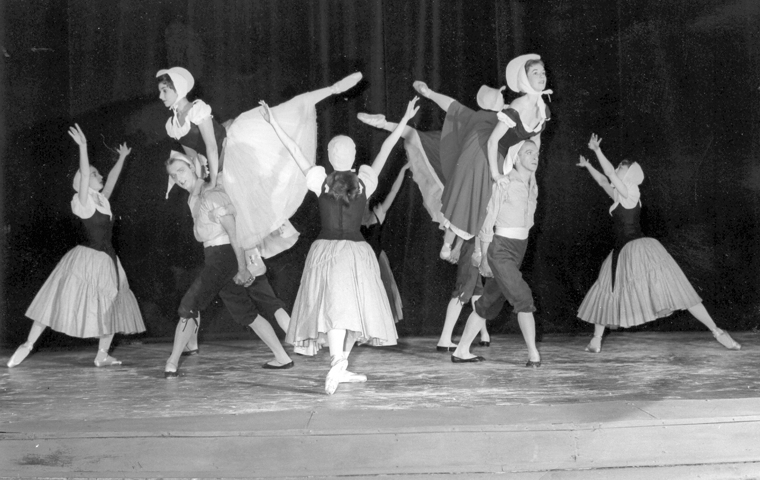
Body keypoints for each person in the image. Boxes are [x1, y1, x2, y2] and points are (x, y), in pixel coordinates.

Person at [156, 67, 362, 353]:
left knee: (286, 115)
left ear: (178, 88)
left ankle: (333, 89)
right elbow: (195, 155)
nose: (161, 95)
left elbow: (213, 150)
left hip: (231, 160)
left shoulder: (197, 110)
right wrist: (200, 182)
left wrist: (214, 181)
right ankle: (298, 339)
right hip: (219, 184)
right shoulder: (174, 123)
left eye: (165, 89)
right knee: (258, 290)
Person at [261, 96, 419, 395]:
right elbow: (386, 149)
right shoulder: (365, 180)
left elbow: (295, 152)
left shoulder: (320, 178)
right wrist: (404, 120)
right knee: (346, 309)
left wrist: (275, 125)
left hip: (327, 250)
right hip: (356, 252)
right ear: (354, 153)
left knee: (336, 308)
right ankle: (337, 363)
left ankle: (340, 364)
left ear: (330, 156)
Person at [357, 90, 500, 351]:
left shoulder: (494, 132)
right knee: (467, 285)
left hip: (479, 220)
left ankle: (482, 333)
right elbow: (426, 131)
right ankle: (448, 338)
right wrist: (391, 122)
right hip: (471, 223)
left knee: (476, 286)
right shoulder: (477, 124)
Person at [576, 134, 741, 353]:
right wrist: (588, 165)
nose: (617, 168)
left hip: (637, 249)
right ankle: (596, 340)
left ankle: (717, 331)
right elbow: (604, 180)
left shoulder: (631, 192)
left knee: (677, 290)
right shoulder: (618, 194)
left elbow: (608, 174)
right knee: (607, 290)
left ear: (630, 173)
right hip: (621, 252)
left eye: (621, 167)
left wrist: (597, 151)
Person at [7, 125, 145, 368]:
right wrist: (83, 147)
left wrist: (122, 158)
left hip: (108, 259)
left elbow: (111, 179)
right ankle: (28, 344)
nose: (99, 175)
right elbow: (84, 170)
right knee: (56, 300)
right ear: (83, 181)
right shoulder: (83, 201)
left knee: (113, 301)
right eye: (94, 173)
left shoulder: (101, 201)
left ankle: (102, 354)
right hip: (88, 258)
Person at [163, 151, 294, 378]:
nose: (178, 178)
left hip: (225, 256)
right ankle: (282, 357)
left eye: (181, 171)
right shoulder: (193, 197)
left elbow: (234, 232)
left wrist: (242, 267)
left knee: (188, 306)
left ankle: (172, 362)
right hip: (217, 258)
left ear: (193, 168)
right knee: (246, 313)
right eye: (173, 175)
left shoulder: (210, 193)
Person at [413, 54, 552, 262]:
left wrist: (530, 169)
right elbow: (455, 108)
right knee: (477, 198)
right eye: (535, 72)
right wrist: (429, 93)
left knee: (485, 202)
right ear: (524, 79)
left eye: (543, 72)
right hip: (486, 153)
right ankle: (467, 249)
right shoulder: (512, 108)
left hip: (504, 156)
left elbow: (535, 139)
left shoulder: (541, 108)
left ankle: (471, 250)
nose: (542, 76)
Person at [451, 140, 542, 367]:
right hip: (500, 248)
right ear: (516, 158)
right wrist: (481, 254)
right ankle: (533, 355)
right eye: (528, 153)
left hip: (519, 248)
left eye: (537, 153)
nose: (535, 156)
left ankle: (461, 350)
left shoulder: (532, 183)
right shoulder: (504, 182)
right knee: (523, 298)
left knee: (487, 302)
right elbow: (487, 220)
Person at [360, 163, 411, 324]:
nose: (365, 197)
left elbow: (394, 192)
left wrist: (402, 169)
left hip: (377, 259)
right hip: (360, 260)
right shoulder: (352, 216)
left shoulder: (378, 212)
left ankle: (376, 330)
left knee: (380, 294)